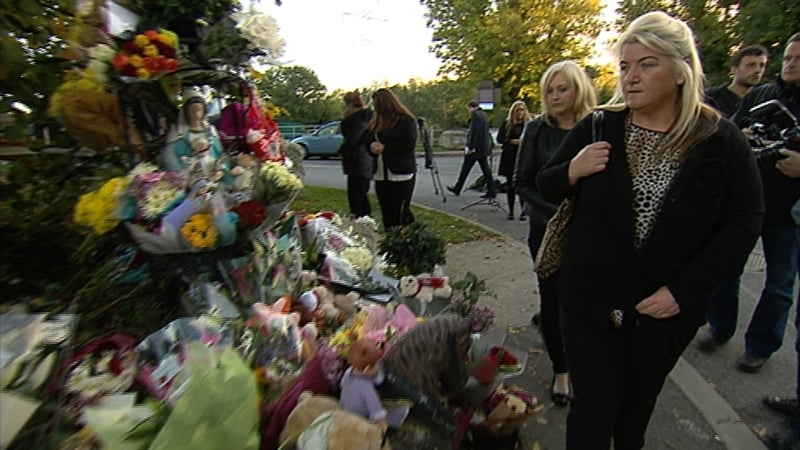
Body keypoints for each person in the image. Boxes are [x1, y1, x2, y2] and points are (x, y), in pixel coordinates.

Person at [536, 11, 764, 449]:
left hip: (663, 312)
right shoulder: (601, 124)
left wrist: (684, 290)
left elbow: (744, 221)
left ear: (680, 71)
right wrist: (572, 169)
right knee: (592, 410)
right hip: (590, 301)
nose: (630, 77)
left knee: (634, 413)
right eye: (624, 66)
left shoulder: (719, 140)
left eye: (646, 64)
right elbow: (544, 181)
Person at [698, 32, 800, 374]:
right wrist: (737, 137)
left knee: (780, 284)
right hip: (747, 203)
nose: (790, 64)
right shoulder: (761, 95)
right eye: (787, 57)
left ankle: (759, 346)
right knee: (727, 268)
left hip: (789, 214)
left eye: (797, 59)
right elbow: (730, 132)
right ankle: (719, 326)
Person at [514, 60, 597, 407]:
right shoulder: (536, 129)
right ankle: (561, 368)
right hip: (547, 231)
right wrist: (559, 216)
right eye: (549, 89)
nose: (555, 96)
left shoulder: (598, 126)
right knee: (553, 299)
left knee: (584, 302)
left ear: (579, 89)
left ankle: (586, 360)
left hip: (593, 233)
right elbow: (523, 183)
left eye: (563, 88)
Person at [367, 88, 417, 229]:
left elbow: (409, 145)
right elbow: (367, 141)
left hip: (401, 173)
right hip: (381, 175)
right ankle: (391, 242)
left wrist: (386, 148)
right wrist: (372, 147)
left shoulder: (406, 121)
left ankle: (409, 242)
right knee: (387, 213)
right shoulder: (376, 122)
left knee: (401, 212)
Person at [161, 92, 225, 172]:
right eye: (192, 110)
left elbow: (220, 152)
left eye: (199, 110)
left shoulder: (210, 130)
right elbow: (170, 157)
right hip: (190, 173)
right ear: (186, 112)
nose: (196, 114)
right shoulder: (178, 132)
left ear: (204, 111)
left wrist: (220, 167)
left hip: (212, 168)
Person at [446, 100, 497, 199]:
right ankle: (492, 190)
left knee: (465, 168)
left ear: (471, 107)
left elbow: (474, 132)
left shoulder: (475, 115)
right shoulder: (484, 114)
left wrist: (470, 147)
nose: (469, 111)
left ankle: (457, 188)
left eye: (468, 109)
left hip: (475, 149)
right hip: (483, 147)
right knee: (486, 170)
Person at [704, 44, 769, 117]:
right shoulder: (710, 98)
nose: (757, 70)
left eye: (762, 65)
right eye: (751, 65)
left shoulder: (763, 101)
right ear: (734, 69)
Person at [339, 91, 375, 218]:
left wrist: (341, 149)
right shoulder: (357, 118)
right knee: (355, 193)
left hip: (361, 159)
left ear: (350, 104)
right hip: (356, 160)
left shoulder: (363, 118)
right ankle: (359, 217)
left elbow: (354, 137)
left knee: (359, 194)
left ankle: (364, 218)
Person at [497, 100, 531, 220]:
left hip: (524, 157)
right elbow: (499, 139)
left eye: (522, 110)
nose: (520, 113)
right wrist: (511, 141)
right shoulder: (507, 124)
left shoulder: (529, 125)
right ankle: (511, 211)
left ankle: (523, 211)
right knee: (510, 185)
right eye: (518, 110)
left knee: (522, 184)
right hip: (510, 157)